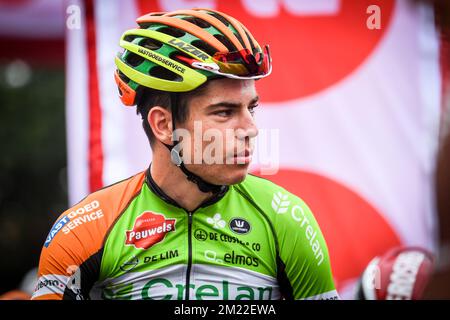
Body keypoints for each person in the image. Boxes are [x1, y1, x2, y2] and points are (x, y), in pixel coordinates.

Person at [32, 8, 339, 300]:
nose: (250, 129)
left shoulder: (285, 218)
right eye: (224, 112)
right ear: (163, 125)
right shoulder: (87, 229)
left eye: (251, 108)